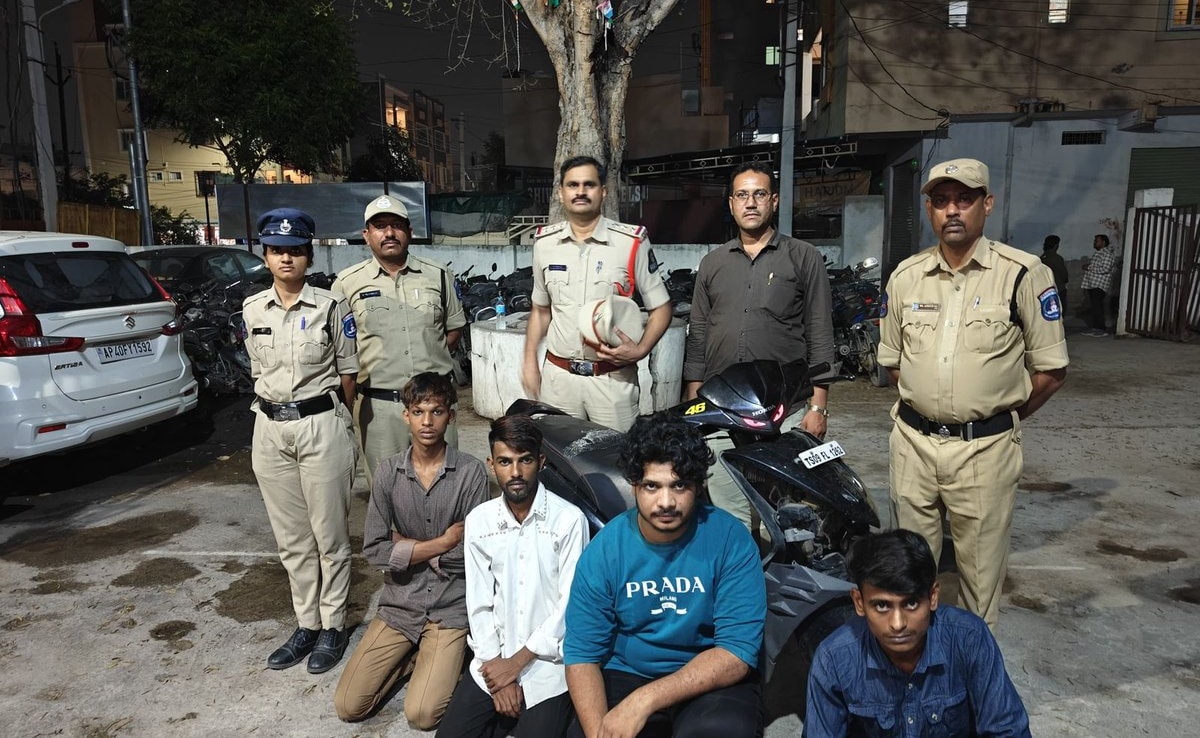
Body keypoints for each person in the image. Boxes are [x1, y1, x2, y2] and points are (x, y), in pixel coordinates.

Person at [877, 158, 1068, 630]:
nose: (952, 211)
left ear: (987, 204)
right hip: (914, 447)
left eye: (964, 199)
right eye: (940, 201)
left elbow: (1051, 370)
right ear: (929, 210)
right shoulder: (906, 276)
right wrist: (932, 409)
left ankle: (971, 676)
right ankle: (915, 670)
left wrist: (991, 417)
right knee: (910, 573)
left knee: (980, 580)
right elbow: (895, 363)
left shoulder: (1024, 274)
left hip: (985, 451)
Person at [563, 412, 766, 738]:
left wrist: (645, 700)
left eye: (679, 485)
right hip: (626, 671)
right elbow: (582, 655)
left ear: (698, 486)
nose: (666, 502)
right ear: (634, 486)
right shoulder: (605, 550)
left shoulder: (730, 539)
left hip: (707, 672)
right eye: (652, 486)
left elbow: (737, 653)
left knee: (722, 731)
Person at [683, 162, 835, 528]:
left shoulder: (803, 258)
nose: (750, 203)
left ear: (775, 201)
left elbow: (819, 331)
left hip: (786, 410)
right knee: (727, 511)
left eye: (759, 194)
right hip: (721, 410)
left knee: (785, 513)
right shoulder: (712, 264)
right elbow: (699, 333)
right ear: (731, 204)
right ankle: (742, 581)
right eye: (742, 195)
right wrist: (693, 405)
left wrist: (819, 408)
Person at [334, 373, 489, 728]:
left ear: (450, 416)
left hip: (449, 608)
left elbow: (472, 555)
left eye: (436, 411)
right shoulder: (388, 472)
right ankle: (412, 657)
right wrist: (441, 544)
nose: (427, 422)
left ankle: (445, 656)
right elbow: (374, 549)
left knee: (422, 715)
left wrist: (405, 545)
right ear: (406, 416)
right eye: (419, 412)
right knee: (348, 706)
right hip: (400, 605)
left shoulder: (471, 473)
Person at [242, 208, 360, 674]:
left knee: (329, 534)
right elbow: (257, 370)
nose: (285, 259)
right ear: (265, 257)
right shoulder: (252, 310)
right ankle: (306, 623)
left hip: (320, 424)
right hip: (269, 429)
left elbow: (348, 373)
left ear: (309, 256)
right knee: (291, 539)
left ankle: (334, 624)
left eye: (294, 251)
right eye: (276, 251)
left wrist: (340, 423)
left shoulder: (332, 307)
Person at [436, 415, 590, 738]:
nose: (516, 473)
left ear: (541, 462)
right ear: (491, 464)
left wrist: (515, 665)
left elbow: (568, 608)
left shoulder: (569, 521)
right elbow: (478, 604)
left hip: (546, 667)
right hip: (492, 661)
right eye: (505, 462)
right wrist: (497, 671)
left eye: (525, 461)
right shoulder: (479, 521)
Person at [803, 529, 1032, 738]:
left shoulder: (969, 639)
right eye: (882, 606)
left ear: (932, 597)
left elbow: (1008, 731)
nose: (898, 623)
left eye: (911, 603)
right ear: (859, 602)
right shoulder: (834, 659)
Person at [522, 155, 673, 432]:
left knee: (616, 465)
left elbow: (661, 307)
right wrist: (530, 359)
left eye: (589, 184)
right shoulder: (544, 244)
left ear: (603, 191)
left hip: (612, 381)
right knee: (558, 463)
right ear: (561, 192)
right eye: (572, 185)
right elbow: (541, 310)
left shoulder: (631, 242)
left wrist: (640, 350)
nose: (580, 191)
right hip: (559, 381)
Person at [335, 195, 467, 486]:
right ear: (366, 235)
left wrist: (430, 361)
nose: (389, 233)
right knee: (388, 492)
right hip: (380, 410)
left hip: (435, 404)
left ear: (409, 231)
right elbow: (341, 345)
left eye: (396, 225)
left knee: (445, 486)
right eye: (380, 226)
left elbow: (453, 329)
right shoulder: (347, 283)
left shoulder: (439, 276)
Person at [1080, 233, 1119, 337]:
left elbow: (1105, 269)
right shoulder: (1098, 253)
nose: (1094, 243)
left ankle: (1101, 329)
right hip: (1092, 284)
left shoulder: (1107, 254)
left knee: (1097, 306)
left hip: (1100, 285)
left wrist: (1089, 267)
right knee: (1094, 306)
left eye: (1097, 241)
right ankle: (1095, 328)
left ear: (1103, 242)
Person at [1040, 234, 1069, 315]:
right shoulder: (1057, 258)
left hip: (1045, 290)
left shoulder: (1042, 258)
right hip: (1058, 289)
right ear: (1056, 245)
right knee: (1060, 312)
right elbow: (1064, 275)